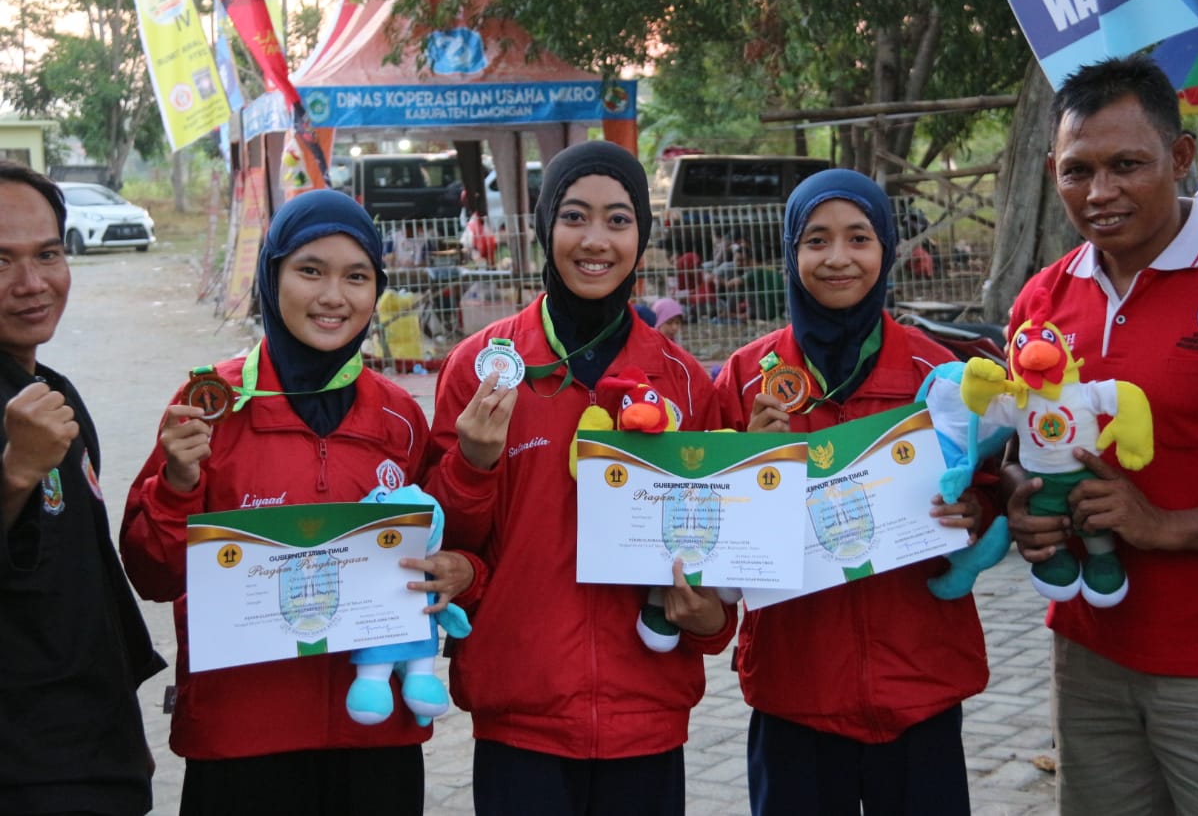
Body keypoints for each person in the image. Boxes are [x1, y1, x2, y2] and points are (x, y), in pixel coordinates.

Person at [119, 189, 473, 816]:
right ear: (271, 273)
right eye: (310, 270)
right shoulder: (211, 405)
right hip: (241, 744)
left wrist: (456, 572)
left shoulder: (398, 416)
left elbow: (445, 541)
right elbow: (151, 574)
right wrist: (176, 484)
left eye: (356, 276)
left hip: (374, 740)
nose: (334, 296)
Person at [1004, 55, 1198, 814]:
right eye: (1077, 170)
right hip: (1086, 655)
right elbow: (1021, 455)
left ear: (1181, 157)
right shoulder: (1040, 299)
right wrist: (1021, 502)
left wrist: (1167, 527)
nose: (1100, 193)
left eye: (1127, 165)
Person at [425, 140, 735, 815]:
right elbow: (451, 545)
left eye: (618, 220)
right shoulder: (482, 368)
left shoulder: (683, 380)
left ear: (641, 236)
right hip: (520, 714)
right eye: (575, 216)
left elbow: (714, 555)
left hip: (645, 713)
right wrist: (472, 463)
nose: (596, 240)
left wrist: (711, 621)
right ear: (544, 227)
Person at [713, 168, 993, 815]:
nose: (838, 258)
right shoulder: (747, 378)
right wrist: (748, 459)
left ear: (887, 249)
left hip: (919, 686)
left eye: (859, 238)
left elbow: (985, 487)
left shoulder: (938, 373)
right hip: (796, 693)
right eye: (816, 240)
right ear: (791, 251)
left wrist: (976, 509)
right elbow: (715, 528)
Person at [0, 161, 165, 815]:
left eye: (48, 254)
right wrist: (14, 473)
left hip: (96, 749)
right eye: (2, 261)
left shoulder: (56, 394)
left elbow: (88, 577)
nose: (31, 284)